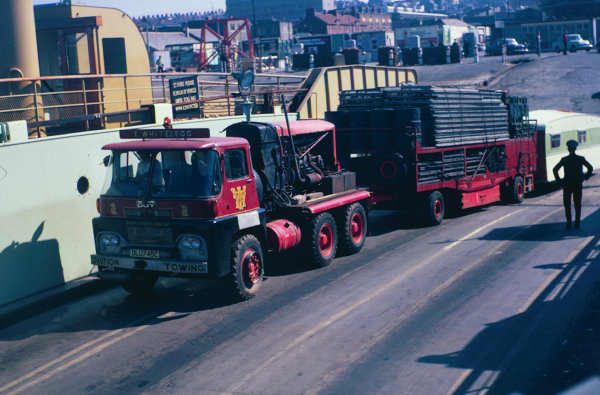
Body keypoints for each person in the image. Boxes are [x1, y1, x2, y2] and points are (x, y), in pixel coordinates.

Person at [553, 140, 593, 229]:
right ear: (575, 148)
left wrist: (559, 181)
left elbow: (555, 169)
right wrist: (585, 177)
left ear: (568, 149)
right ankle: (577, 223)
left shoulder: (564, 159)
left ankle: (568, 223)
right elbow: (590, 168)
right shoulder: (581, 158)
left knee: (567, 204)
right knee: (577, 204)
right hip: (577, 184)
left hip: (567, 184)